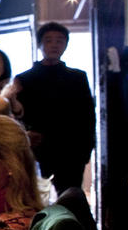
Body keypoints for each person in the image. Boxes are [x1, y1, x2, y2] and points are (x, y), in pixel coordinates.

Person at [9, 21, 95, 192]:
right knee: (41, 195)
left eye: (60, 40)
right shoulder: (25, 78)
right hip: (39, 148)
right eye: (49, 40)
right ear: (40, 44)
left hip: (71, 148)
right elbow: (19, 116)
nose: (54, 45)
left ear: (66, 45)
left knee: (71, 194)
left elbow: (87, 115)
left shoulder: (78, 77)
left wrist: (86, 149)